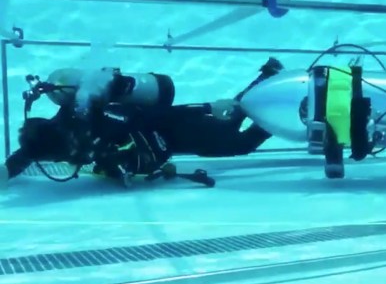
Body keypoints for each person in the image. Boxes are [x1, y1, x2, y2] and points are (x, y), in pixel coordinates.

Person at [0, 57, 284, 187]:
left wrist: (208, 107)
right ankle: (270, 80)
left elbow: (150, 116)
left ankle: (285, 105)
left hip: (172, 129)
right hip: (167, 143)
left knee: (238, 137)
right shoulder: (51, 139)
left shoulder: (87, 119)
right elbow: (23, 157)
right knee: (234, 123)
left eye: (53, 156)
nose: (57, 158)